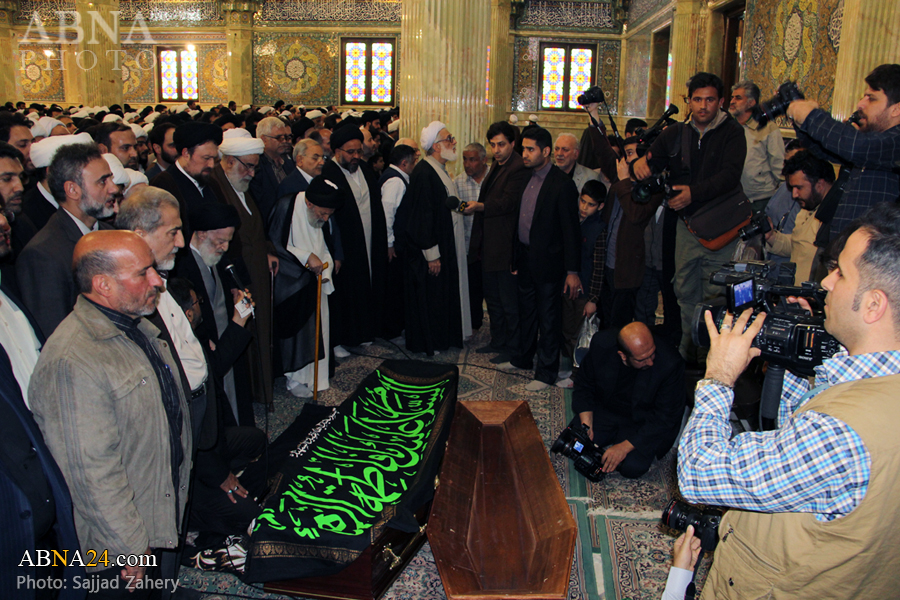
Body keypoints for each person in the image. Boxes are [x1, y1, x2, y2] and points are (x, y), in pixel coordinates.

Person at [678, 202, 900, 599]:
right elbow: (796, 436)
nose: (826, 282)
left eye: (840, 273)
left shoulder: (841, 434)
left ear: (873, 305)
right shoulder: (872, 382)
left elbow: (698, 474)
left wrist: (719, 377)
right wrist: (794, 353)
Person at [30, 230, 191, 598]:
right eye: (143, 273)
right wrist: (130, 546)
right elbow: (90, 474)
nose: (157, 281)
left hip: (151, 519)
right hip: (116, 554)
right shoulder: (72, 360)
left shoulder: (132, 326)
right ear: (102, 285)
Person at [633, 72, 747, 361]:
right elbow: (652, 160)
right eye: (697, 100)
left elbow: (730, 176)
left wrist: (693, 193)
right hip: (687, 226)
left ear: (721, 102)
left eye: (710, 100)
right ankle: (686, 356)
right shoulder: (676, 133)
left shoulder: (733, 133)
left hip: (721, 227)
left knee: (714, 293)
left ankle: (712, 358)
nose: (703, 106)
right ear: (689, 102)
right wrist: (641, 164)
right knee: (684, 290)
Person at [115, 187, 211, 445]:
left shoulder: (165, 278)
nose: (181, 242)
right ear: (140, 236)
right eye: (173, 232)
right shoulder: (128, 301)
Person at [500, 127, 581, 390]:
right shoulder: (525, 177)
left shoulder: (562, 184)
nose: (524, 154)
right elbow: (519, 220)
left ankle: (546, 373)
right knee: (526, 313)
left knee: (548, 319)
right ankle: (522, 359)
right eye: (523, 148)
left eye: (530, 149)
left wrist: (572, 271)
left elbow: (571, 231)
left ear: (546, 151)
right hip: (525, 258)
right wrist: (514, 257)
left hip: (549, 264)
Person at [788, 63, 900, 243]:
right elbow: (827, 151)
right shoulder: (875, 139)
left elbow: (857, 147)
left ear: (896, 109)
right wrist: (800, 121)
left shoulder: (893, 142)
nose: (861, 104)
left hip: (873, 253)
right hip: (843, 243)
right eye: (864, 96)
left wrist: (811, 116)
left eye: (871, 98)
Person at [17, 142, 118, 338]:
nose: (113, 188)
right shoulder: (43, 255)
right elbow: (56, 335)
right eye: (102, 181)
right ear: (72, 190)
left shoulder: (111, 233)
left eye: (111, 179)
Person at [211, 130, 278, 410]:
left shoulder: (239, 185)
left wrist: (267, 249)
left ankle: (262, 390)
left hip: (256, 271)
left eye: (254, 167)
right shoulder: (217, 186)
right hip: (239, 276)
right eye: (247, 166)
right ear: (229, 161)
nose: (251, 173)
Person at [173, 202, 254, 427]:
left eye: (229, 241)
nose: (225, 247)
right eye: (220, 241)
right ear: (201, 234)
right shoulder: (181, 265)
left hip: (227, 340)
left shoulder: (217, 258)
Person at [573, 322, 685, 477]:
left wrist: (624, 447)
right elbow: (584, 384)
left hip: (643, 419)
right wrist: (587, 424)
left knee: (632, 467)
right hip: (607, 409)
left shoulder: (670, 363)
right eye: (642, 359)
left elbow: (665, 417)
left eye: (652, 353)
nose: (650, 362)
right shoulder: (602, 344)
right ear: (623, 355)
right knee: (575, 444)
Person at [399, 122, 470, 354]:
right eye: (449, 138)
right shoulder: (424, 173)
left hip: (444, 245)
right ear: (437, 146)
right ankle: (432, 343)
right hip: (432, 251)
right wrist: (432, 255)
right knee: (432, 297)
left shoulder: (438, 169)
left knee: (441, 296)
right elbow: (421, 217)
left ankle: (443, 338)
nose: (454, 142)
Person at [321, 122, 388, 352]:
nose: (356, 156)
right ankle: (343, 338)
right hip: (344, 245)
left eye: (359, 151)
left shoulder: (365, 170)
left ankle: (366, 330)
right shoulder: (328, 174)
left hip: (369, 240)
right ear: (336, 151)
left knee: (367, 283)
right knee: (346, 290)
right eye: (350, 152)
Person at [468, 121, 531, 362]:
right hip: (488, 245)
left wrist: (479, 206)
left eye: (501, 144)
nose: (496, 150)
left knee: (508, 302)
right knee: (493, 298)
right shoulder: (497, 164)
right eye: (493, 145)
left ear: (513, 144)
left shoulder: (519, 167)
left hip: (505, 246)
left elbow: (508, 203)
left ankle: (512, 347)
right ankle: (498, 340)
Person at [279, 176, 341, 397]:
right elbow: (276, 246)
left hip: (316, 280)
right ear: (309, 203)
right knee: (299, 334)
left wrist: (324, 267)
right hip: (292, 284)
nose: (325, 219)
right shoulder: (286, 207)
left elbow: (324, 246)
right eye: (322, 213)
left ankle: (316, 377)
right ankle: (295, 379)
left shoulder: (320, 217)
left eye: (329, 215)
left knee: (320, 329)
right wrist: (306, 257)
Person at [603, 139, 669, 329]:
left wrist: (625, 181)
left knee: (621, 325)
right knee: (605, 321)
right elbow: (603, 153)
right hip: (607, 263)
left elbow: (635, 214)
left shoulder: (652, 187)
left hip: (629, 271)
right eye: (625, 154)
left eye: (631, 153)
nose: (627, 159)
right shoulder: (620, 181)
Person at [558, 178, 606, 387]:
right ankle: (571, 368)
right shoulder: (573, 220)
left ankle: (579, 376)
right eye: (582, 201)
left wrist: (593, 299)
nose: (584, 208)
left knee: (582, 335)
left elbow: (598, 268)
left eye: (591, 204)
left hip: (585, 291)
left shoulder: (599, 229)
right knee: (567, 330)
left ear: (600, 206)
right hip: (567, 286)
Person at [763, 151, 834, 284]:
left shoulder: (834, 220)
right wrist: (771, 237)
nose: (794, 194)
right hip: (795, 291)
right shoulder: (807, 208)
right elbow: (797, 245)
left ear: (820, 185)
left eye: (799, 188)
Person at [150, 121, 225, 242]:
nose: (211, 165)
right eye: (206, 158)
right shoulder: (163, 184)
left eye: (214, 159)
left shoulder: (211, 182)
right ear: (186, 153)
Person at [380, 143, 418, 341]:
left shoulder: (398, 177)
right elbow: (388, 213)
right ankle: (391, 328)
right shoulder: (395, 181)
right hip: (395, 245)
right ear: (404, 163)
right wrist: (389, 243)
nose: (415, 165)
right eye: (414, 162)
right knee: (394, 287)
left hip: (397, 243)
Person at [729, 80, 785, 213]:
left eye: (738, 98)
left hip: (760, 200)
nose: (732, 101)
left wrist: (783, 197)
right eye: (732, 97)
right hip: (731, 199)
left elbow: (779, 165)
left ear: (751, 102)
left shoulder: (767, 128)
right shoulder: (727, 128)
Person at [454, 142, 488, 331]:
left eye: (472, 160)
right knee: (472, 290)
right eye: (465, 159)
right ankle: (474, 325)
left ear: (483, 160)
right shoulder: (458, 183)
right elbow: (456, 208)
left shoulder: (493, 179)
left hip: (491, 247)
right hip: (469, 246)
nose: (467, 164)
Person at [249, 116, 293, 219]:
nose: (284, 141)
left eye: (285, 137)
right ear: (263, 139)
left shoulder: (289, 162)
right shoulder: (256, 167)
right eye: (279, 138)